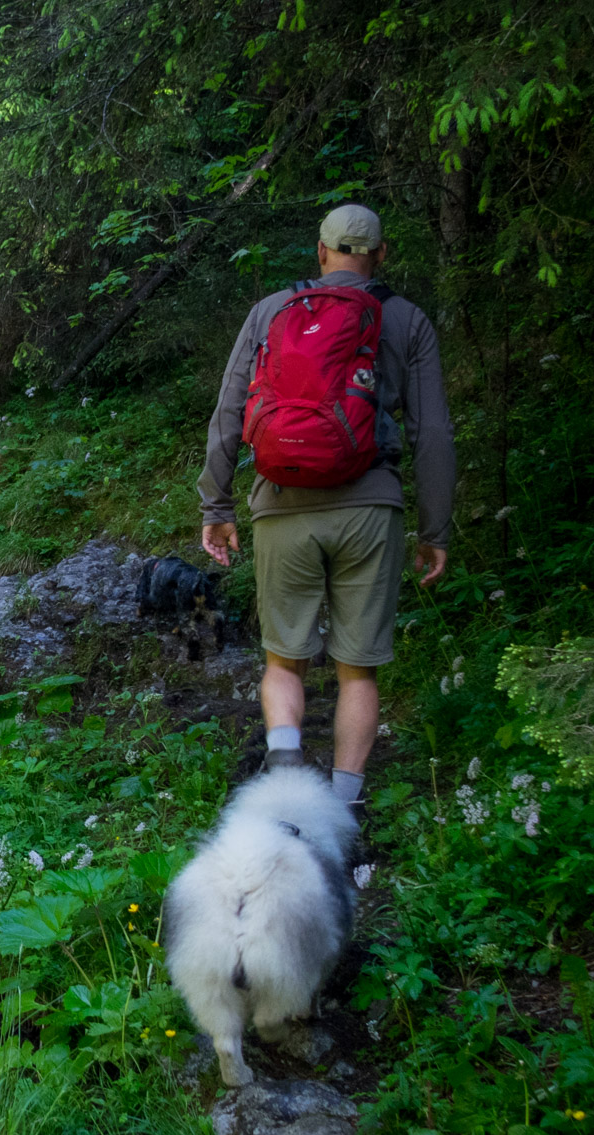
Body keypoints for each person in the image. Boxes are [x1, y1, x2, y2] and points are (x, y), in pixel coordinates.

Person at [197, 203, 456, 816]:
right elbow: (434, 435)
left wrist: (217, 504)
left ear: (320, 252)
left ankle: (287, 788)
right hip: (370, 507)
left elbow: (230, 413)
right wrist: (435, 527)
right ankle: (340, 812)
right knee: (356, 671)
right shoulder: (407, 320)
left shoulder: (271, 312)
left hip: (282, 503)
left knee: (284, 659)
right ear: (381, 255)